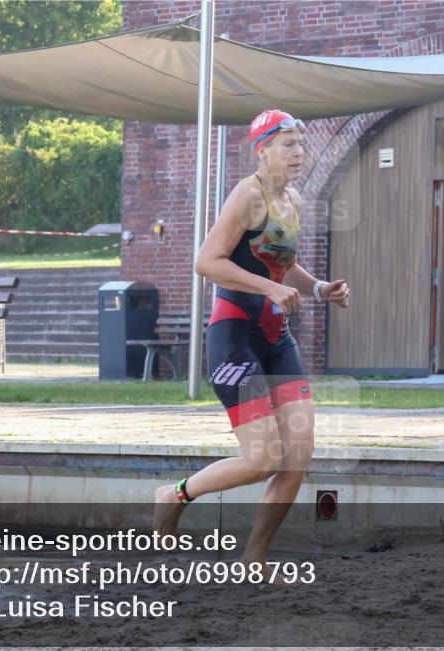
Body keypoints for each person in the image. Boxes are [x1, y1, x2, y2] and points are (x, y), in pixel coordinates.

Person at [154, 109, 350, 570]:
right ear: (261, 149)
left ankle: (254, 559)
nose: (299, 152)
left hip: (275, 339)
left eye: (301, 143)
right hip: (234, 334)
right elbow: (207, 261)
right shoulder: (247, 195)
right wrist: (269, 288)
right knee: (263, 459)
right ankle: (174, 496)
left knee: (297, 457)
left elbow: (281, 263)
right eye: (288, 144)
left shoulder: (294, 201)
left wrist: (319, 289)